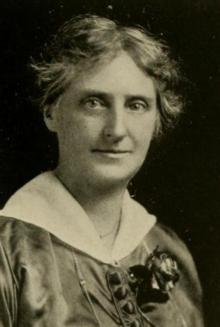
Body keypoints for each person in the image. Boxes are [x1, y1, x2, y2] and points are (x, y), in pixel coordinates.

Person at [0, 15, 204, 327]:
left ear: (156, 121)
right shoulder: (8, 251)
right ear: (51, 111)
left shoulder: (171, 247)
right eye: (94, 103)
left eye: (136, 105)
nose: (117, 130)